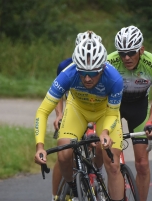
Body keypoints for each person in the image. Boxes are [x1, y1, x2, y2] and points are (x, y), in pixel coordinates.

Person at [34, 36, 125, 201]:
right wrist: (39, 146)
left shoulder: (115, 79)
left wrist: (104, 132)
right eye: (82, 72)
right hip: (78, 111)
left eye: (92, 73)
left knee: (113, 165)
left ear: (103, 68)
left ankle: (98, 176)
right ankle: (74, 189)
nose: (87, 78)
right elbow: (42, 111)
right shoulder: (67, 74)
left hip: (105, 113)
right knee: (63, 154)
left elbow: (113, 113)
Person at [107, 25, 152, 201]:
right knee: (113, 164)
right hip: (114, 106)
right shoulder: (109, 62)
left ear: (141, 50)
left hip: (139, 107)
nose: (126, 57)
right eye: (122, 53)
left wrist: (150, 122)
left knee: (142, 164)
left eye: (131, 52)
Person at [51, 31, 103, 200]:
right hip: (73, 112)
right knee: (65, 154)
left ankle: (92, 180)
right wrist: (59, 115)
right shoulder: (65, 66)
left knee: (95, 144)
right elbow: (58, 94)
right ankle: (55, 196)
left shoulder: (103, 67)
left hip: (95, 111)